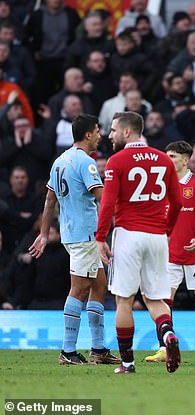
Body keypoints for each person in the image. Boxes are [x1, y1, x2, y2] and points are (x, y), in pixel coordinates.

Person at [28, 114, 120, 366]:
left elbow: (49, 200)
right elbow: (103, 198)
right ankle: (68, 351)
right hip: (85, 235)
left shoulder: (60, 161)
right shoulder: (86, 163)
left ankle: (98, 349)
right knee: (79, 289)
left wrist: (45, 234)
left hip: (73, 234)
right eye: (98, 131)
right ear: (88, 134)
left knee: (99, 285)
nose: (101, 135)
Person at [96, 112, 182, 374]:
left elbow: (108, 203)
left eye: (112, 130)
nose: (109, 135)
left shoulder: (117, 161)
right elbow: (177, 202)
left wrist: (100, 237)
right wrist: (166, 229)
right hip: (157, 236)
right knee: (155, 299)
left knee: (124, 300)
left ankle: (127, 363)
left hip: (128, 234)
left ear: (126, 132)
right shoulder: (164, 159)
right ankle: (167, 336)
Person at [144, 141, 195, 364]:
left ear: (186, 159)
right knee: (165, 300)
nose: (168, 160)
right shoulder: (161, 184)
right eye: (167, 155)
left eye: (172, 156)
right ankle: (165, 347)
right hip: (168, 254)